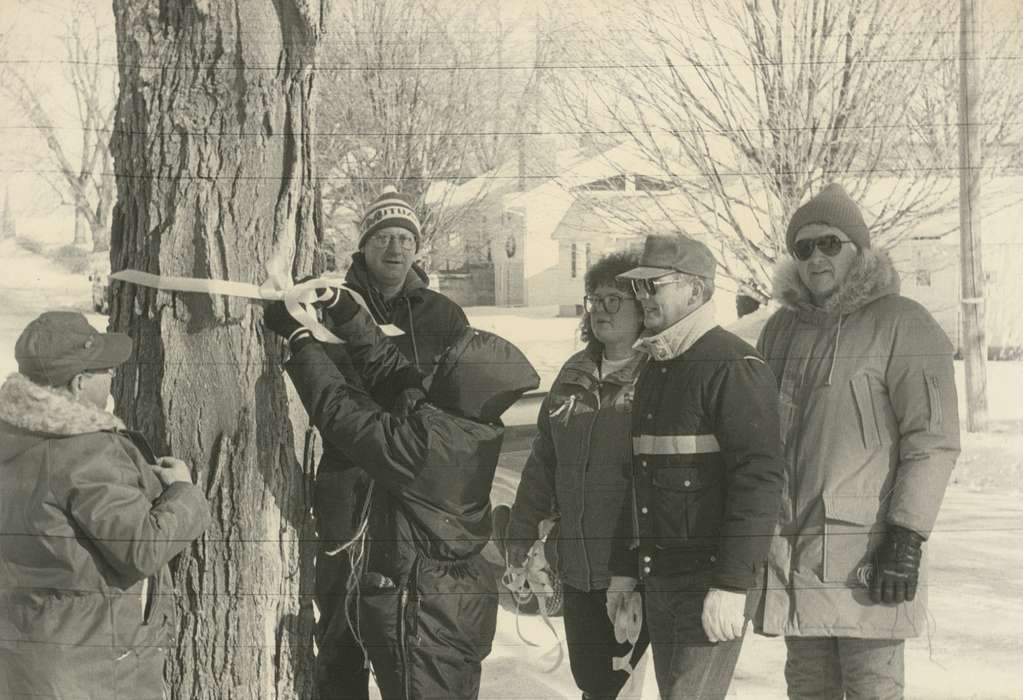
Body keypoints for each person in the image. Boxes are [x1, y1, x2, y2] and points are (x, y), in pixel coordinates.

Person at [263, 288, 539, 699]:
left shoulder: (431, 447)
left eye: (449, 361)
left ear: (466, 381)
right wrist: (346, 309)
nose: (438, 363)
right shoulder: (465, 425)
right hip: (450, 603)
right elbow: (394, 375)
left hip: (426, 614)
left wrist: (301, 341)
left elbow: (342, 415)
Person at [751, 183, 961, 699]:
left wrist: (907, 537)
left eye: (830, 243)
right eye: (803, 247)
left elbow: (932, 441)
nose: (816, 257)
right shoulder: (778, 331)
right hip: (797, 560)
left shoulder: (903, 324)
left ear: (858, 249)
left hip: (870, 563)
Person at [607, 234, 786, 699]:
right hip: (660, 582)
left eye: (654, 286)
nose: (642, 297)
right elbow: (638, 485)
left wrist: (732, 583)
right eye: (639, 288)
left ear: (695, 290)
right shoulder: (656, 368)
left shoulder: (733, 365)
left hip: (708, 586)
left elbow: (759, 479)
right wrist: (626, 571)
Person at [0, 311, 210, 699]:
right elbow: (141, 547)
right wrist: (184, 493)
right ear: (79, 383)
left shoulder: (12, 436)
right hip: (94, 667)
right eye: (105, 370)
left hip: (27, 655)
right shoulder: (85, 452)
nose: (113, 377)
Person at [313, 186, 469, 698]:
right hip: (349, 470)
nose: (396, 249)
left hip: (417, 478)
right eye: (384, 238)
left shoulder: (443, 314)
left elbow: (459, 392)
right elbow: (328, 390)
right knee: (342, 603)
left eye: (405, 238)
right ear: (364, 246)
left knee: (407, 601)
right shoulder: (333, 301)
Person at [505, 251, 650, 699]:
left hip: (633, 567)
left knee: (627, 684)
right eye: (595, 299)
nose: (601, 309)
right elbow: (542, 465)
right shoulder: (574, 374)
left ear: (642, 306)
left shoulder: (659, 375)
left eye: (615, 299)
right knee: (592, 683)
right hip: (578, 565)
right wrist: (519, 537)